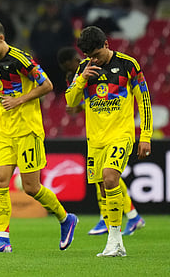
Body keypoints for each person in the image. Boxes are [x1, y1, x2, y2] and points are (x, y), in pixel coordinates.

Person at [0, 19, 78, 253]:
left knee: (31, 188)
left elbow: (47, 85)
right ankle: (3, 239)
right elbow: (1, 87)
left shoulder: (22, 59)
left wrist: (19, 100)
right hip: (5, 129)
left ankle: (66, 218)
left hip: (27, 129)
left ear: (1, 38)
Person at [65, 26, 153, 257]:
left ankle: (115, 241)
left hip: (121, 135)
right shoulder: (85, 68)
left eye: (96, 54)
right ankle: (117, 244)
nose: (94, 59)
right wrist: (82, 79)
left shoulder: (128, 65)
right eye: (89, 56)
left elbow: (144, 100)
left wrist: (145, 136)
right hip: (95, 140)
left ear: (106, 44)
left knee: (110, 177)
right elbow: (70, 101)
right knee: (105, 189)